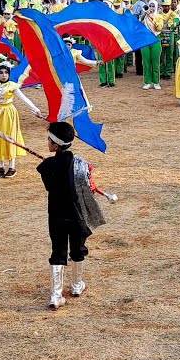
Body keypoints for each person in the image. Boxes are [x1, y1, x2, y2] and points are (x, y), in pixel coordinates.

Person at [37, 121, 106, 309]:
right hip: (77, 214)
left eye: (49, 139)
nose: (47, 142)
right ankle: (76, 285)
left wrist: (49, 165)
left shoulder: (47, 165)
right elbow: (87, 189)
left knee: (58, 251)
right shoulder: (81, 164)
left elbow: (50, 187)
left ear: (56, 146)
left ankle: (56, 295)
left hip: (57, 214)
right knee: (77, 248)